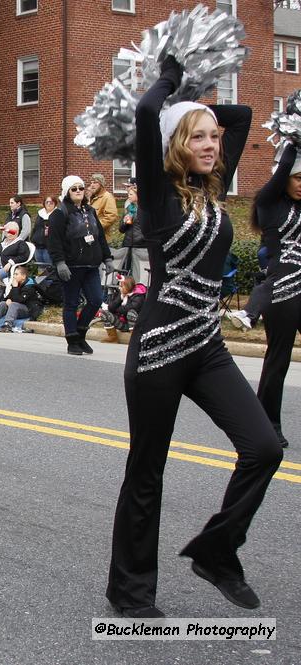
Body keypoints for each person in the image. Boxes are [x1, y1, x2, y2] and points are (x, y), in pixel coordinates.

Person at [106, 56, 284, 619]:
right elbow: (144, 110)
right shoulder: (158, 193)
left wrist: (195, 99)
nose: (212, 144)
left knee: (265, 447)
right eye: (199, 138)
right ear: (176, 146)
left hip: (206, 345)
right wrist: (169, 79)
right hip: (159, 348)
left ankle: (217, 550)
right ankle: (131, 592)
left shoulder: (215, 189)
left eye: (214, 138)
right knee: (147, 471)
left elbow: (244, 113)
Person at [249, 141, 301, 448]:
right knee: (278, 358)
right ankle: (268, 421)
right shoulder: (269, 202)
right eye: (297, 178)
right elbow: (283, 168)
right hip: (281, 291)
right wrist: (293, 139)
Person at [47, 176, 114, 355]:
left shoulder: (90, 211)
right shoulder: (59, 213)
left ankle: (81, 333)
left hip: (91, 266)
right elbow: (54, 242)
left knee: (95, 300)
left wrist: (107, 258)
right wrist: (60, 263)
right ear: (67, 192)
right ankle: (72, 340)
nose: (78, 191)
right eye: (74, 189)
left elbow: (99, 236)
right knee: (71, 303)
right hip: (70, 267)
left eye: (81, 188)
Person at [0, 264, 40, 332]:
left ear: (23, 276)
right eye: (14, 274)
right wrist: (8, 299)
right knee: (3, 303)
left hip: (28, 310)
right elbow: (8, 297)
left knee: (14, 304)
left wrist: (15, 287)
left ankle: (8, 324)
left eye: (16, 274)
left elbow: (20, 300)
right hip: (17, 308)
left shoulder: (29, 286)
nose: (14, 276)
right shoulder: (17, 284)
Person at [100, 276, 146, 343]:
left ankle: (134, 339)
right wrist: (120, 298)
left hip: (136, 325)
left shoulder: (138, 296)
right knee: (104, 313)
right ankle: (113, 337)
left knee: (131, 313)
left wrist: (116, 309)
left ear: (128, 286)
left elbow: (130, 309)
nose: (119, 288)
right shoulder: (122, 294)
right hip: (123, 323)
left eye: (121, 286)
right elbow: (111, 308)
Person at [87, 173, 118, 237]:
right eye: (91, 183)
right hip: (92, 237)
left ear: (101, 184)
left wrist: (95, 226)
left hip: (102, 237)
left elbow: (111, 216)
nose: (92, 185)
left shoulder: (107, 197)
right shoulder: (92, 198)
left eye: (95, 182)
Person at [33, 195, 57, 265]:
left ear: (55, 204)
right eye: (47, 202)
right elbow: (35, 228)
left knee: (49, 269)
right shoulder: (40, 214)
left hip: (49, 248)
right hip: (38, 247)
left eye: (51, 202)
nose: (49, 204)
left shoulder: (57, 215)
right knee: (40, 270)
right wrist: (33, 238)